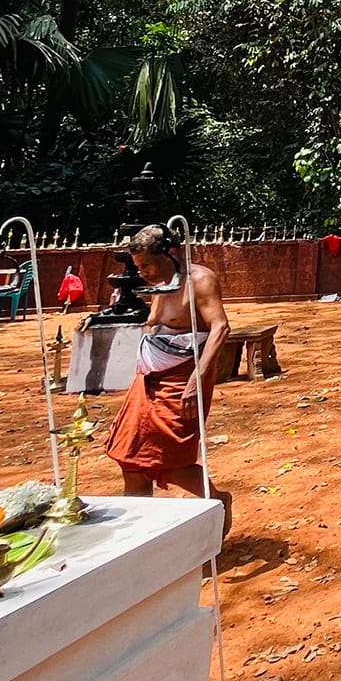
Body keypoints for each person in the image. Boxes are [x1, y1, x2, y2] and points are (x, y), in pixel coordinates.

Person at [104, 224, 232, 533]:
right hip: (146, 380)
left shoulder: (199, 281)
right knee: (130, 458)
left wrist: (197, 377)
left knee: (172, 461)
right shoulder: (159, 283)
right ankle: (139, 535)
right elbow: (156, 325)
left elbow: (221, 327)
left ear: (170, 254)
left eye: (147, 264)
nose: (143, 272)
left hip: (181, 379)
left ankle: (217, 500)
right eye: (138, 266)